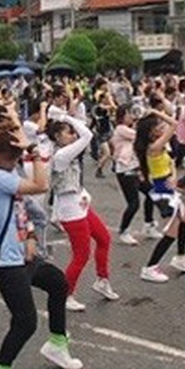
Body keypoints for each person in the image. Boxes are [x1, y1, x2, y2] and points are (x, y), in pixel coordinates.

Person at [0, 121, 82, 369]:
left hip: (22, 255)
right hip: (6, 263)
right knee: (25, 321)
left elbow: (23, 209)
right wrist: (34, 153)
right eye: (15, 155)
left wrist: (32, 238)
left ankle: (57, 345)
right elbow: (41, 184)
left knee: (58, 284)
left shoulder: (6, 172)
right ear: (5, 155)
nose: (16, 160)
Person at [48, 116, 120, 311]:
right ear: (57, 136)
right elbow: (87, 134)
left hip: (79, 204)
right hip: (71, 211)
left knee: (104, 238)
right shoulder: (61, 155)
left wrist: (84, 193)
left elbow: (74, 180)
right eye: (68, 132)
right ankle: (66, 294)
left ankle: (102, 280)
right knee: (81, 255)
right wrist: (65, 115)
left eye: (73, 132)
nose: (73, 135)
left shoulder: (67, 154)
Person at [134, 109, 185, 282]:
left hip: (168, 187)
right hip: (162, 190)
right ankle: (150, 267)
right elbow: (175, 124)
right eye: (158, 126)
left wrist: (175, 178)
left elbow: (171, 164)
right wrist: (155, 111)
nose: (162, 127)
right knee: (171, 231)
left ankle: (181, 258)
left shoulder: (160, 146)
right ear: (151, 132)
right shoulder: (154, 147)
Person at [111, 104, 160, 245]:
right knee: (133, 203)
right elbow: (141, 135)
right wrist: (144, 120)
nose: (131, 116)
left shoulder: (129, 129)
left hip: (135, 168)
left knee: (151, 193)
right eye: (128, 114)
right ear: (122, 116)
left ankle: (148, 224)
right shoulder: (121, 129)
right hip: (125, 170)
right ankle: (123, 230)